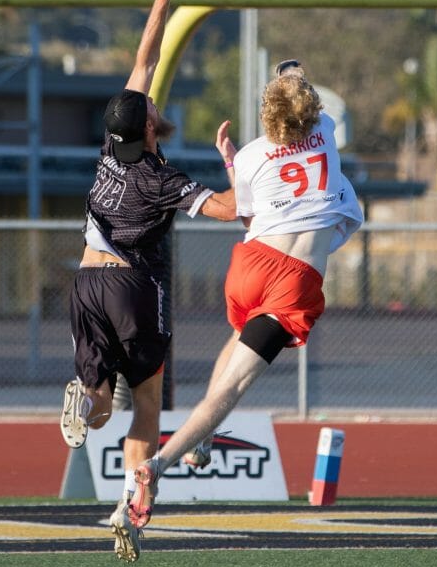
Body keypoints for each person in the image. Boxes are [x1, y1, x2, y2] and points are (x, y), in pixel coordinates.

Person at [128, 58, 364, 527]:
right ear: (311, 110)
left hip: (250, 265)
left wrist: (232, 161)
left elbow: (247, 217)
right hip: (293, 281)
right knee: (233, 387)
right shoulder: (328, 128)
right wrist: (292, 75)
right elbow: (303, 102)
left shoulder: (254, 155)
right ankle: (157, 466)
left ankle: (204, 441)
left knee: (237, 338)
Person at [59, 0, 237, 563]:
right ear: (150, 130)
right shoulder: (162, 179)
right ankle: (125, 504)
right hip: (132, 289)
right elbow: (230, 210)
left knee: (106, 405)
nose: (154, 102)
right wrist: (245, 163)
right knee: (150, 403)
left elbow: (144, 59)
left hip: (84, 281)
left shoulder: (112, 146)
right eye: (153, 111)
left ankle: (86, 399)